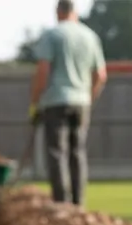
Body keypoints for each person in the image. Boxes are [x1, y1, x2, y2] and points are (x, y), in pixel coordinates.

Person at [30, 1, 106, 207]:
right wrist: (89, 97)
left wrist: (35, 102)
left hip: (56, 101)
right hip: (81, 102)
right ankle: (78, 203)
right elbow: (100, 75)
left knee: (57, 152)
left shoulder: (53, 35)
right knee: (77, 152)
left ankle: (61, 202)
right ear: (75, 11)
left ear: (58, 12)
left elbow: (43, 71)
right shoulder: (90, 36)